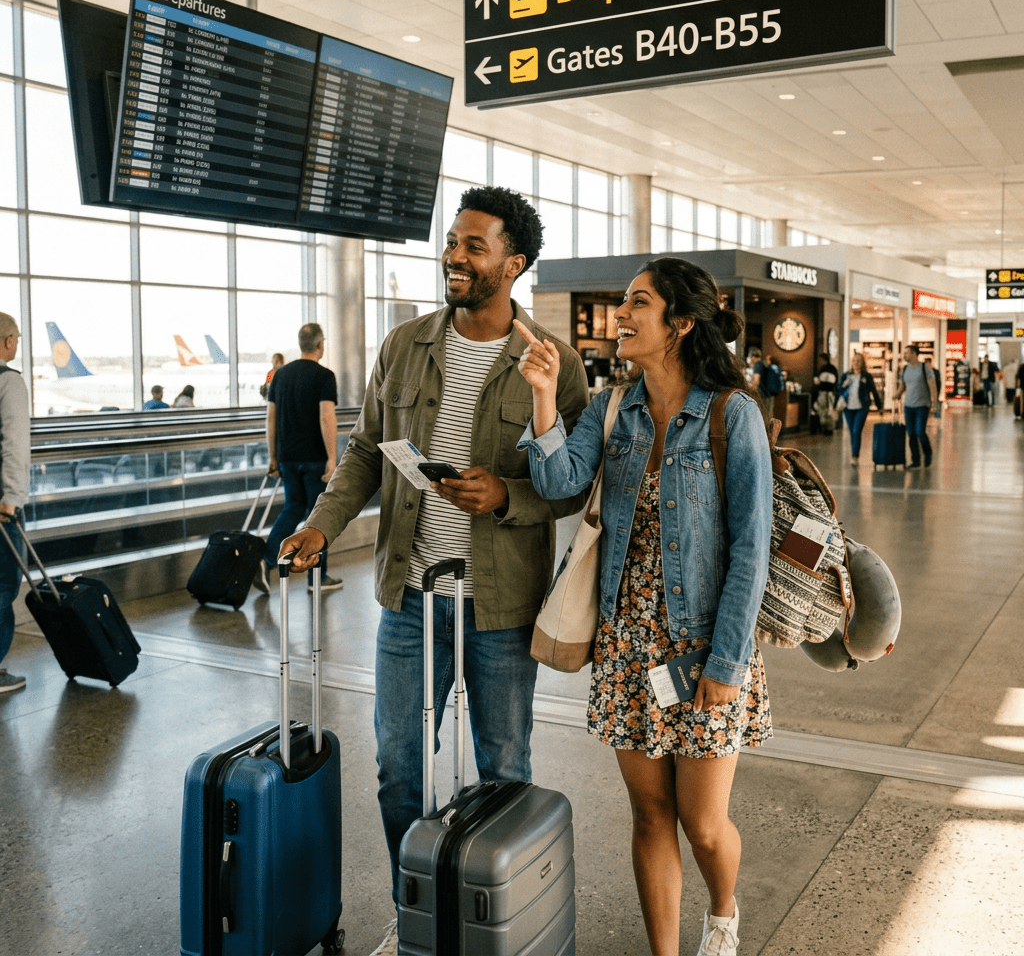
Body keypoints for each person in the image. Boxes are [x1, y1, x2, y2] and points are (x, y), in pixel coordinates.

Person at [279, 186, 589, 956]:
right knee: (397, 771)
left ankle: (503, 920)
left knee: (505, 769)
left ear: (513, 264)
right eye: (452, 241)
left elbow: (573, 485)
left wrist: (505, 493)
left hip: (501, 603)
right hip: (411, 596)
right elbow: (363, 452)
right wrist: (321, 525)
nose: (454, 256)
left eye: (473, 246)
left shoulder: (553, 363)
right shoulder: (404, 342)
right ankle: (415, 910)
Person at [516, 257, 773, 956]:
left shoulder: (731, 415)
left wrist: (726, 662)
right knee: (650, 813)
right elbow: (559, 480)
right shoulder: (612, 409)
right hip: (628, 645)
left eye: (638, 303)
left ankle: (722, 911)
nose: (621, 315)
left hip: (705, 646)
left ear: (681, 323)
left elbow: (751, 549)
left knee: (704, 824)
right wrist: (543, 394)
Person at [256, 324, 341, 595]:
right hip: (314, 458)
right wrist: (332, 457)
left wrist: (273, 456)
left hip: (287, 457)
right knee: (318, 516)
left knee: (292, 508)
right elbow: (326, 417)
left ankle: (267, 559)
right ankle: (317, 578)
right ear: (320, 345)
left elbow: (270, 418)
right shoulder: (324, 376)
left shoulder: (280, 375)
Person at [0, 313, 29, 694]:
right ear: (7, 341)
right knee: (3, 584)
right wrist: (10, 499)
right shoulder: (9, 383)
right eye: (17, 338)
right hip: (0, 509)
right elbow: (14, 446)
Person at [836, 352, 884, 466]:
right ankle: (855, 453)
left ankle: (855, 457)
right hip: (848, 408)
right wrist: (843, 386)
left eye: (858, 361)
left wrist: (879, 406)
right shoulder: (845, 375)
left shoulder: (866, 376)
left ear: (862, 363)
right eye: (854, 361)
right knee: (853, 432)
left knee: (856, 431)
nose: (855, 363)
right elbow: (839, 390)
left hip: (862, 407)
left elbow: (874, 391)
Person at [894, 344, 937, 468]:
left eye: (907, 353)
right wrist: (896, 395)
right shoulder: (905, 369)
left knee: (919, 431)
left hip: (922, 405)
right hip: (908, 406)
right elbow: (903, 386)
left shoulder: (925, 368)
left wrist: (934, 404)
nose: (904, 355)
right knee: (911, 433)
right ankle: (916, 460)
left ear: (914, 354)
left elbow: (932, 386)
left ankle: (928, 453)